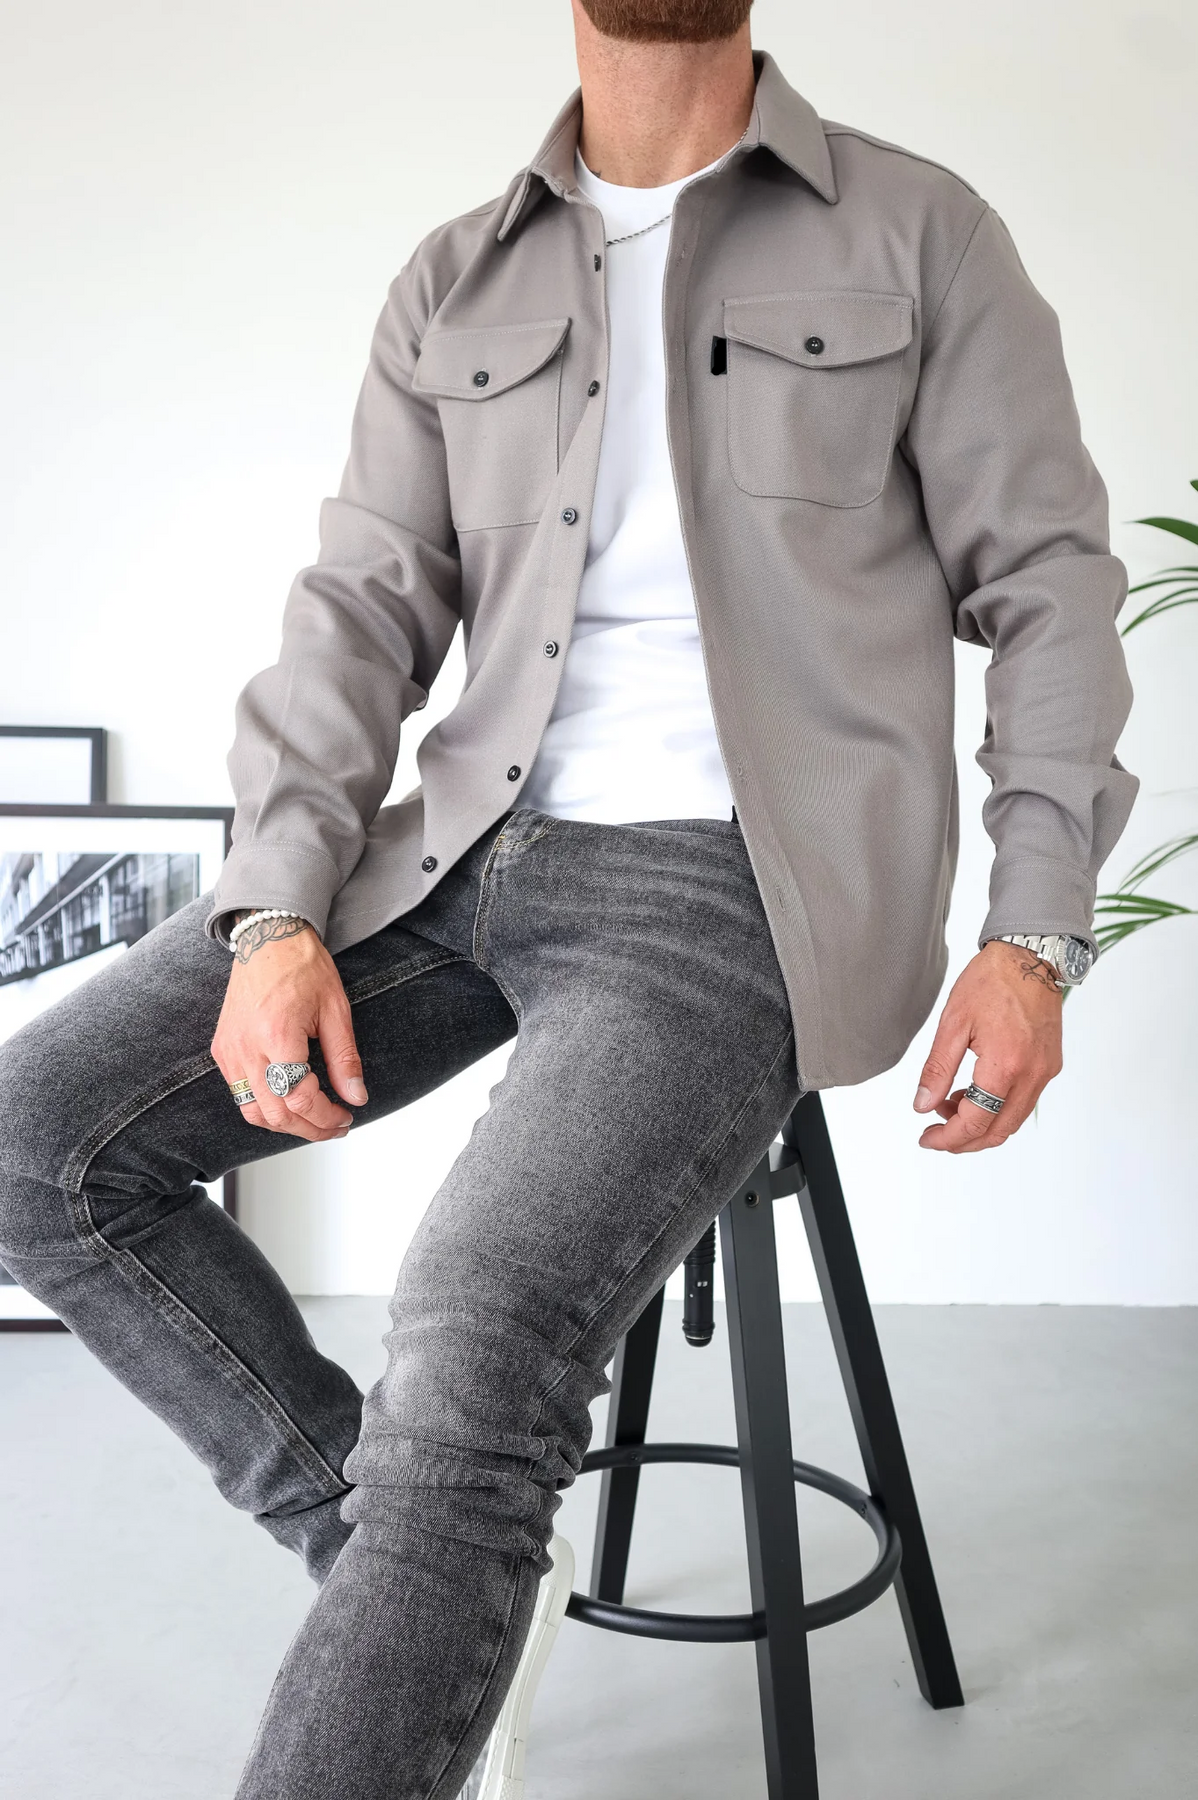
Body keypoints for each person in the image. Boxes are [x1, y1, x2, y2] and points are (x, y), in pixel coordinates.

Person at [0, 1, 1136, 1795]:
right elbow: (358, 613)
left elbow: (1053, 589)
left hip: (730, 888)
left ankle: (435, 1546)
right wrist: (275, 914)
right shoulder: (457, 276)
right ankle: (412, 1557)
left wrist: (1032, 935)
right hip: (459, 848)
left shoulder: (922, 233)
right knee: (36, 1142)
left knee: (468, 1352)